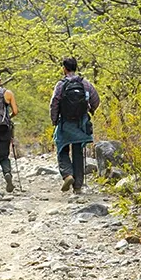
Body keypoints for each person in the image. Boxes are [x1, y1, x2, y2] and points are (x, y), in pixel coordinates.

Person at [50, 57, 100, 193]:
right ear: (76, 67)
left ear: (64, 69)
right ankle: (77, 186)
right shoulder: (85, 84)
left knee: (62, 148)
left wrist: (54, 120)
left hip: (65, 122)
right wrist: (90, 111)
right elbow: (96, 100)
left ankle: (67, 174)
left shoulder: (60, 85)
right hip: (81, 122)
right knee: (78, 151)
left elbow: (54, 103)